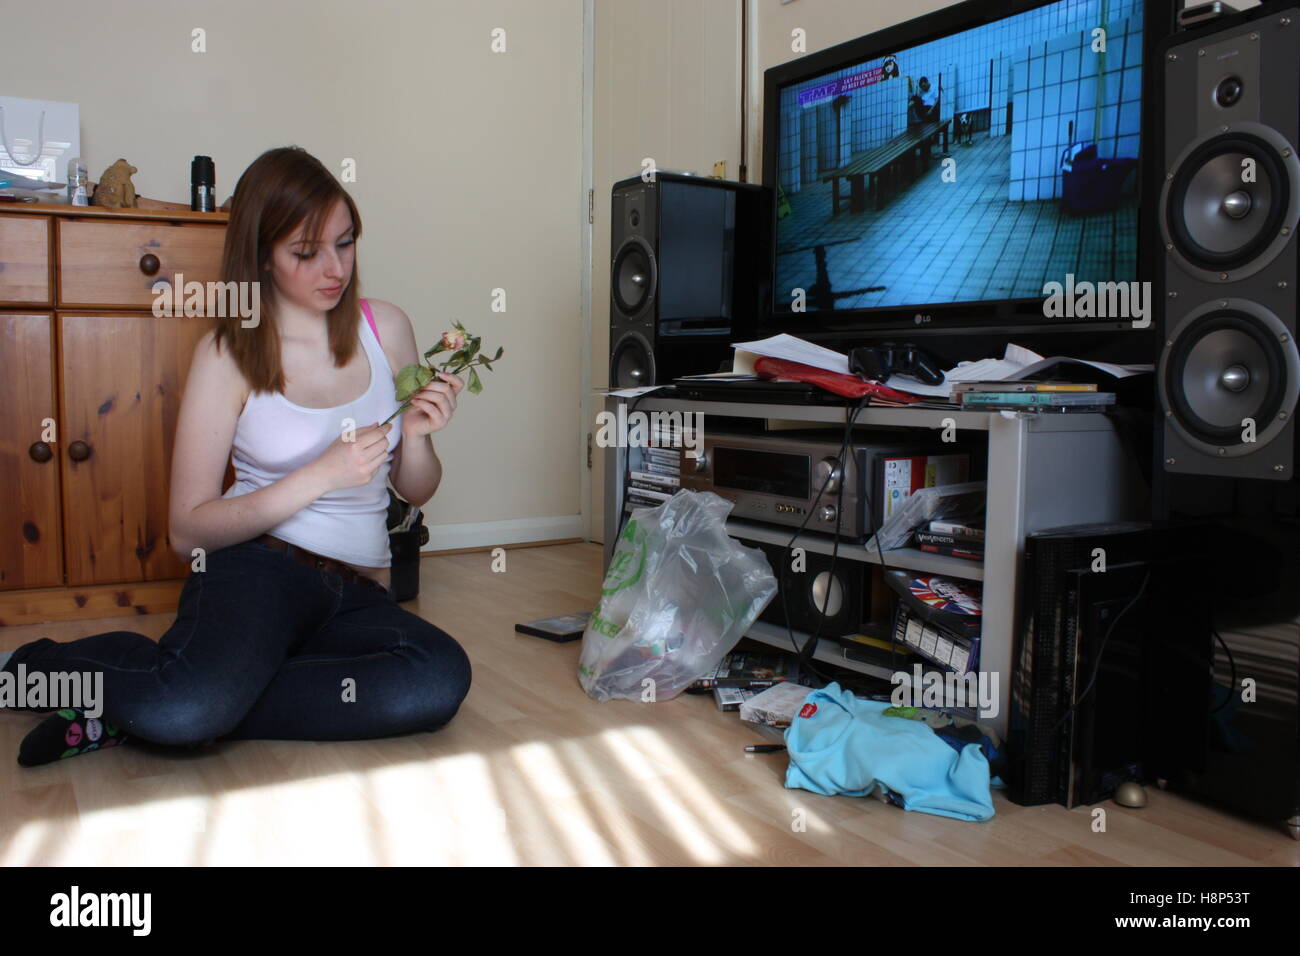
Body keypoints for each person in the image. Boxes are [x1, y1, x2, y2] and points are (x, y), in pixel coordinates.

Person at [0, 146, 472, 766]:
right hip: (258, 572)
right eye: (305, 253)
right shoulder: (227, 354)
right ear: (262, 257)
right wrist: (319, 475)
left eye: (345, 243)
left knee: (437, 677)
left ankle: (154, 709)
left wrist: (416, 433)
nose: (333, 268)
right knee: (189, 703)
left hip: (359, 592)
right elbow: (185, 529)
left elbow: (418, 490)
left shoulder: (386, 328)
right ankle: (35, 669)